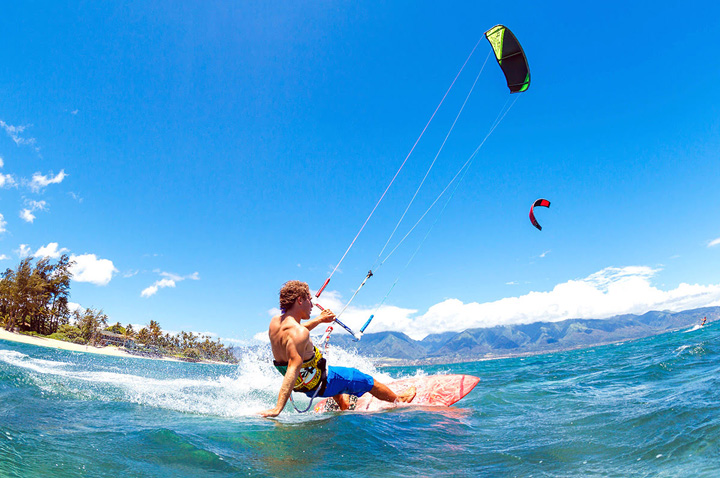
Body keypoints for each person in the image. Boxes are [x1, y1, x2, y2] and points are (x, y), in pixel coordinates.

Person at [260, 280, 415, 417]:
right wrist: (277, 408)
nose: (312, 304)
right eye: (309, 299)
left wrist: (320, 320)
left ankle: (343, 406)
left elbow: (295, 330)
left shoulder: (275, 323)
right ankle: (399, 399)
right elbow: (292, 369)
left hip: (305, 386)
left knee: (332, 375)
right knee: (367, 381)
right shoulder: (300, 333)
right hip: (321, 383)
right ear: (300, 300)